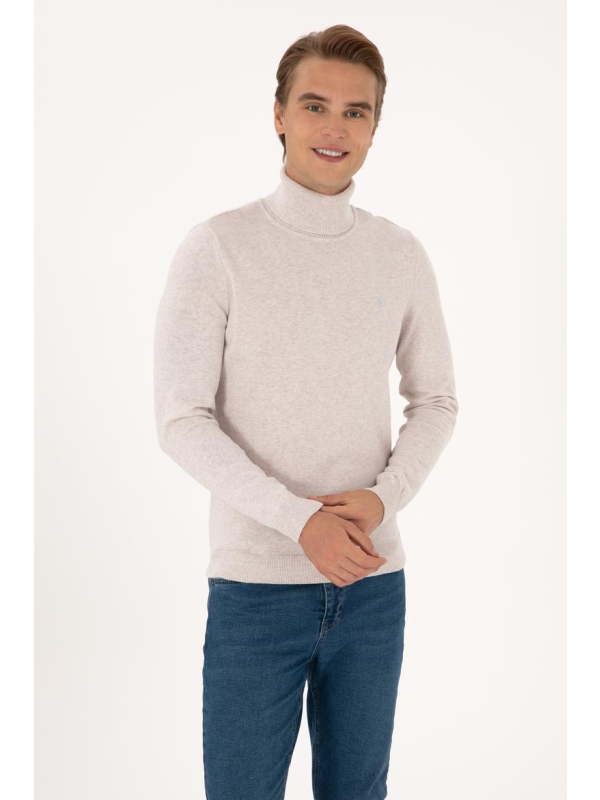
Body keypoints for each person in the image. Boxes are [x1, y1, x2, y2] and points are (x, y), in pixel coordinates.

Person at [153, 23, 459, 800]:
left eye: (357, 112)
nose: (335, 127)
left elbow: (435, 400)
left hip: (372, 585)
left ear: (375, 127)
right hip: (255, 591)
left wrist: (386, 498)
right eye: (315, 105)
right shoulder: (218, 247)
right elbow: (181, 419)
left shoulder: (399, 253)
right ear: (279, 115)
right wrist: (300, 522)